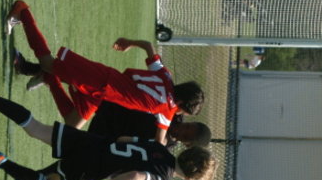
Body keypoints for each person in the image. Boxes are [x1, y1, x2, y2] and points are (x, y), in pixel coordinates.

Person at [0, 86, 218, 180]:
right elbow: (136, 176)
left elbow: (125, 140)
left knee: (35, 128)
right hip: (92, 166)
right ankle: (1, 162)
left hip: (94, 143)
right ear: (191, 179)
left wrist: (111, 169)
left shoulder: (159, 147)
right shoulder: (162, 179)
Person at [5, 0, 205, 145]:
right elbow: (160, 141)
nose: (181, 114)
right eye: (183, 111)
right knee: (48, 63)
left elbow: (148, 46)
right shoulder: (167, 109)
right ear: (180, 103)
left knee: (73, 124)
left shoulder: (166, 77)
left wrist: (130, 43)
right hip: (101, 82)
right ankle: (23, 12)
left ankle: (49, 78)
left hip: (103, 90)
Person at [13, 50, 212, 148]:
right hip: (113, 102)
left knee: (72, 123)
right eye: (187, 126)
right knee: (73, 78)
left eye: (185, 135)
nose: (182, 130)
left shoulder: (164, 145)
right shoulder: (172, 111)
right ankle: (31, 68)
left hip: (108, 130)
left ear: (186, 144)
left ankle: (48, 77)